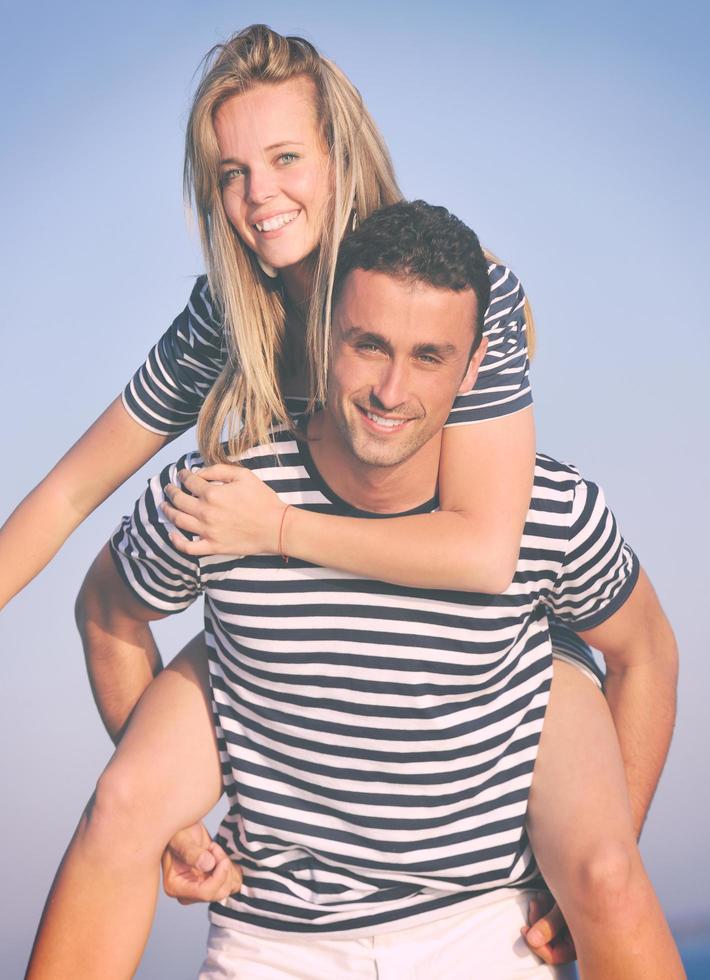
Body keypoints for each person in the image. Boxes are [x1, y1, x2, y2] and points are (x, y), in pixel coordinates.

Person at [5, 22, 582, 953]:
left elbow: (482, 549)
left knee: (606, 877)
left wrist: (271, 529)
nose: (259, 196)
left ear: (338, 153)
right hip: (295, 621)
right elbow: (69, 495)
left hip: (461, 633)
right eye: (231, 174)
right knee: (123, 807)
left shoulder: (465, 292)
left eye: (283, 157)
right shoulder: (225, 322)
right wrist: (176, 811)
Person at [26, 202, 683, 980]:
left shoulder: (545, 511)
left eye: (430, 356)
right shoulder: (225, 495)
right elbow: (106, 612)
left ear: (475, 367)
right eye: (368, 345)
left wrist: (600, 864)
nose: (390, 389)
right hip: (272, 944)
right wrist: (170, 819)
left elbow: (645, 654)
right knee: (116, 806)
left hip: (483, 937)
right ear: (326, 334)